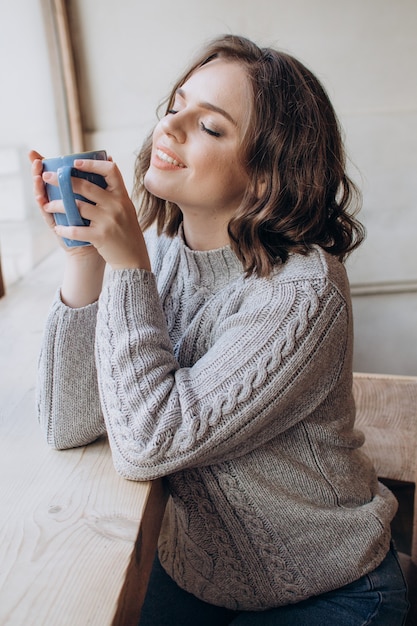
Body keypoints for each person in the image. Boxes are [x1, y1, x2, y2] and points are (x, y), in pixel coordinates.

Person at [30, 34, 409, 625]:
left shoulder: (302, 292)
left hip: (328, 590)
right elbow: (67, 422)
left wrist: (126, 264)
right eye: (176, 105)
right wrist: (86, 256)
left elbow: (146, 444)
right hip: (197, 574)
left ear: (265, 176)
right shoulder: (161, 253)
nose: (171, 127)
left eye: (211, 127)